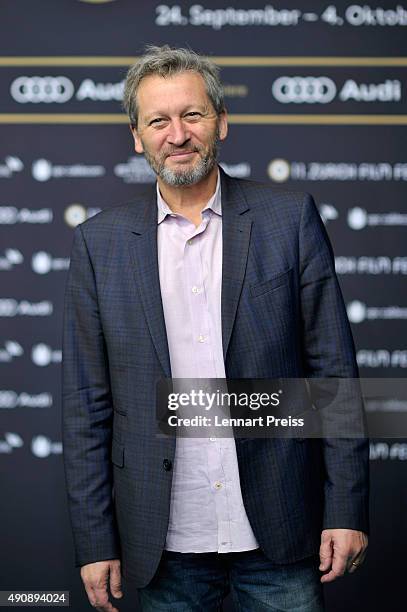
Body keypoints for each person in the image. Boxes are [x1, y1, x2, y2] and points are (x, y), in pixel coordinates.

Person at [62, 45, 369, 612]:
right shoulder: (98, 244)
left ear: (221, 122)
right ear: (137, 136)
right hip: (162, 541)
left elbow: (333, 373)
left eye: (193, 115)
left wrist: (346, 509)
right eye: (158, 120)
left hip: (280, 531)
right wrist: (94, 539)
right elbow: (87, 404)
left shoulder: (289, 220)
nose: (177, 134)